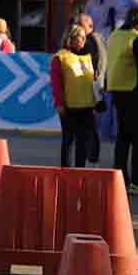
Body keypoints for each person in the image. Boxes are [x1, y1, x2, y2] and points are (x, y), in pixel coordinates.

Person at [105, 6, 138, 193]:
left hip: (118, 93)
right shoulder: (136, 38)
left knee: (123, 140)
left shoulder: (114, 36)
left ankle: (120, 180)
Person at [51, 24, 101, 168]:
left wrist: (97, 100)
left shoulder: (87, 57)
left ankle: (80, 170)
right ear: (71, 38)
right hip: (69, 106)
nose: (84, 40)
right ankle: (66, 171)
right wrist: (60, 103)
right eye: (81, 37)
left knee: (82, 141)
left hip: (86, 106)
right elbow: (56, 83)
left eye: (85, 38)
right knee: (68, 140)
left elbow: (92, 81)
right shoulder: (60, 57)